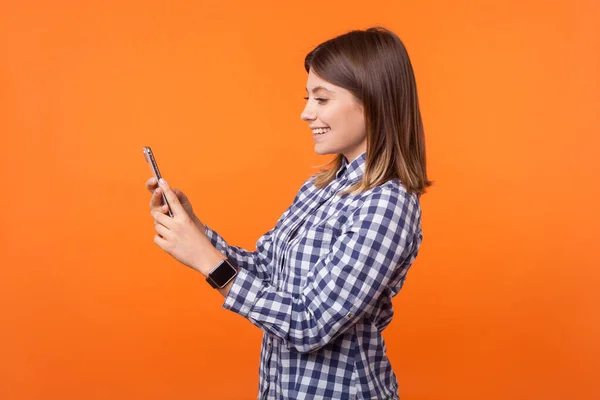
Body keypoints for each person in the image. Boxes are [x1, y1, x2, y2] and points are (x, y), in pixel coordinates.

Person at [145, 26, 431, 400]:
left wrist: (207, 262)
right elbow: (266, 271)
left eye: (322, 99)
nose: (305, 113)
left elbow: (310, 322)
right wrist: (194, 229)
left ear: (374, 101)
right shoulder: (320, 189)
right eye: (307, 97)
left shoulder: (386, 204)